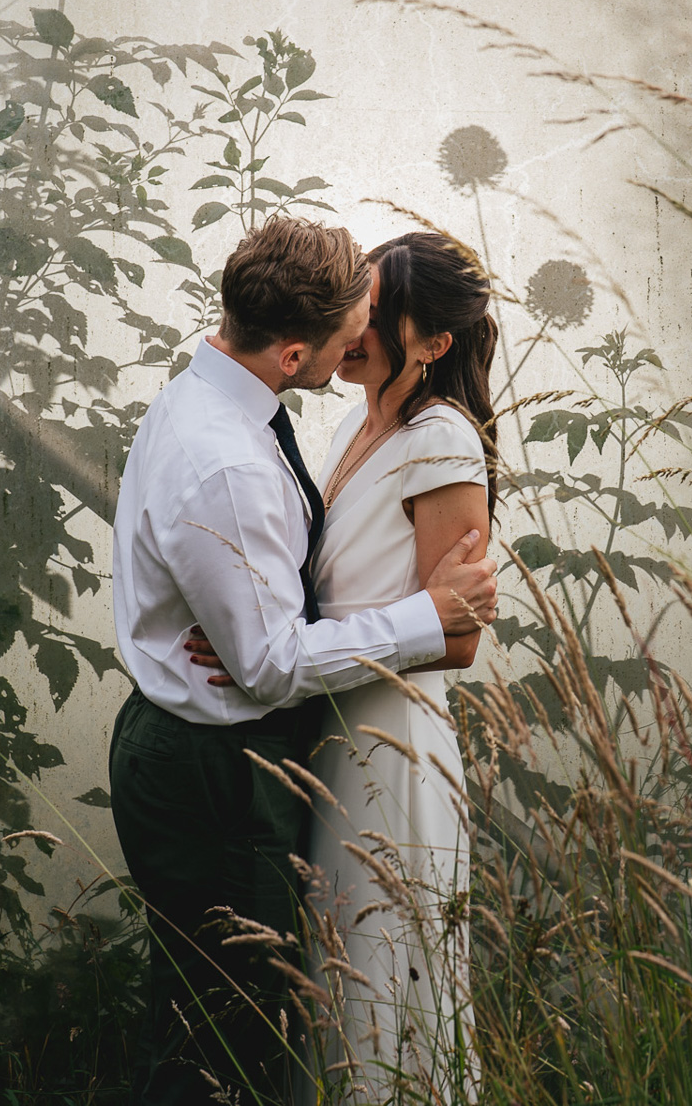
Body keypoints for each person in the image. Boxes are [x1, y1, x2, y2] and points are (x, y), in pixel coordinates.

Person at [107, 217, 499, 1106]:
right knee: (227, 1024)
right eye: (352, 319)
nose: (358, 333)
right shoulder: (241, 457)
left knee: (329, 988)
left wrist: (262, 627)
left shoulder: (226, 408)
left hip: (359, 742)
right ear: (291, 353)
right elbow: (278, 658)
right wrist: (267, 643)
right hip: (233, 757)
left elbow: (459, 626)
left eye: (375, 312)